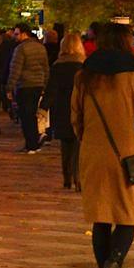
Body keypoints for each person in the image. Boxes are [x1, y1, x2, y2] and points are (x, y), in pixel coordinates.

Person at [72, 20, 134, 268]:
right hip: (127, 152)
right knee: (128, 216)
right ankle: (115, 263)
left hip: (94, 152)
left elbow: (76, 116)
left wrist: (85, 137)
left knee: (101, 217)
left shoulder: (85, 74)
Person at [43, 32, 87, 189]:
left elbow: (51, 89)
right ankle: (78, 177)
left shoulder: (57, 66)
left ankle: (66, 176)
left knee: (65, 145)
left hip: (61, 109)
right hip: (80, 109)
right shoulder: (84, 66)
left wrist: (43, 107)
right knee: (78, 144)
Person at [6, 25, 50, 153]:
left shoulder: (21, 49)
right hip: (38, 84)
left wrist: (10, 87)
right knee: (31, 114)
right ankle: (33, 142)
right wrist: (45, 84)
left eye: (16, 34)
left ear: (24, 34)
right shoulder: (41, 47)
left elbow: (15, 70)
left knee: (26, 116)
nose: (15, 36)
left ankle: (31, 144)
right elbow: (45, 68)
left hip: (25, 85)